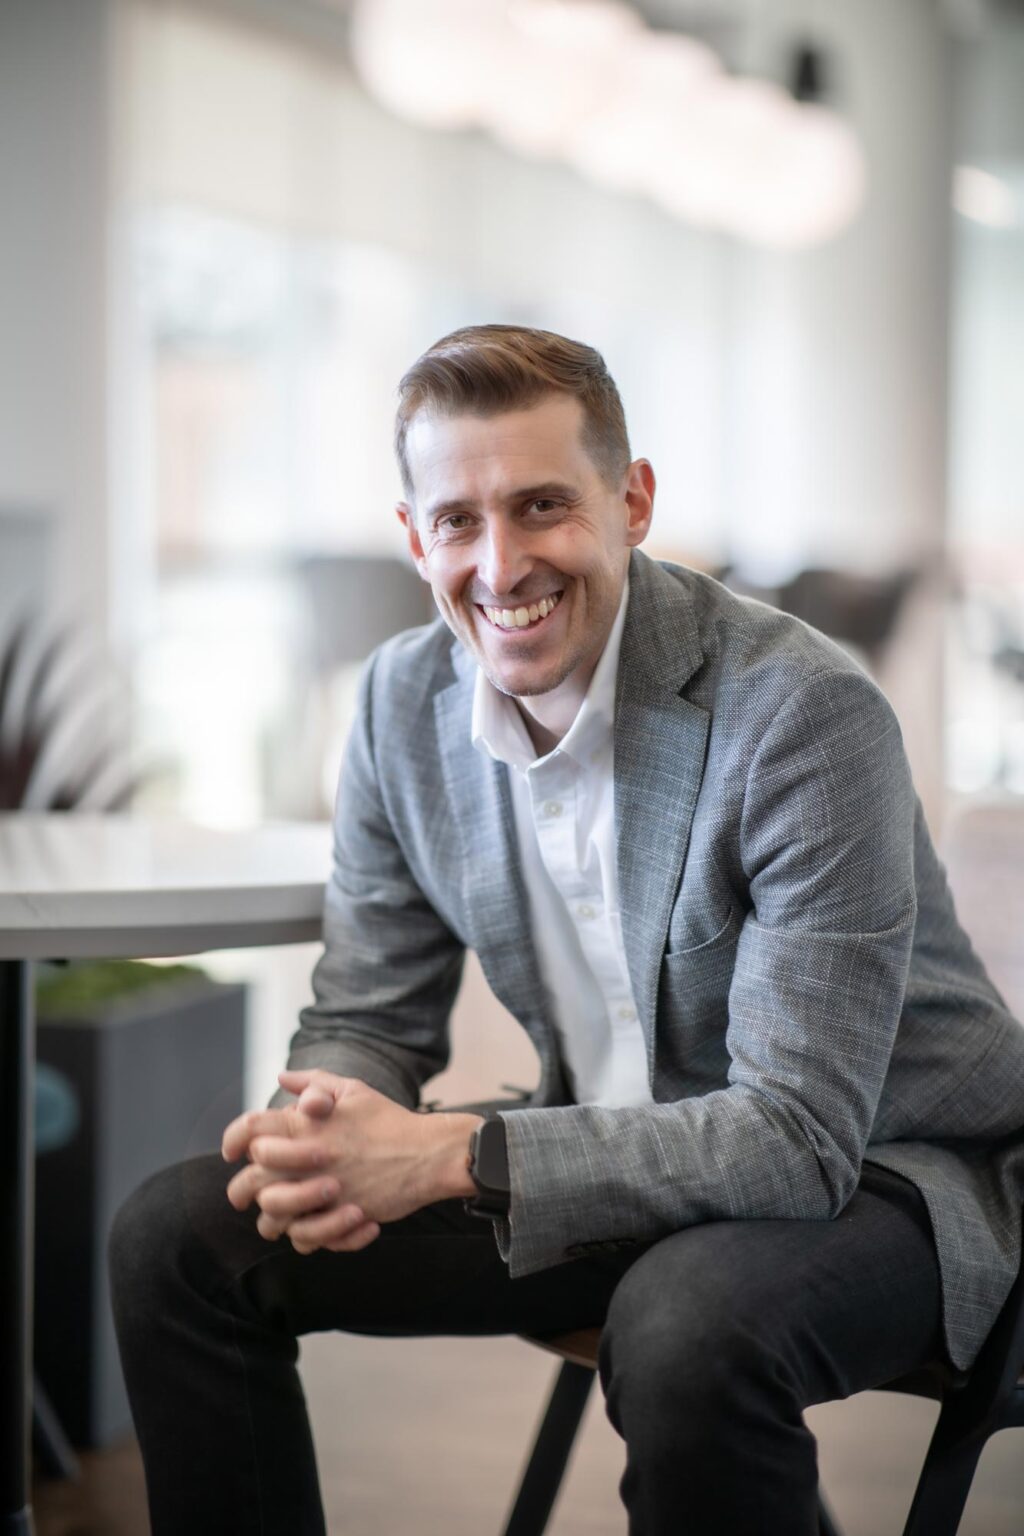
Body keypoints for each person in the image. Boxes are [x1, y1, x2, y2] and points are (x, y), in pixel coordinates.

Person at [110, 324, 1024, 1536]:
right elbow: (370, 1009)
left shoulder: (800, 712)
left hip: (887, 1171)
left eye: (541, 505)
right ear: (414, 537)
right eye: (458, 521)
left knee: (684, 1325)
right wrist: (323, 1132)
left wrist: (446, 1156)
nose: (500, 565)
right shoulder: (400, 704)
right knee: (178, 1238)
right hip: (606, 1157)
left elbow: (796, 1139)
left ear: (631, 502)